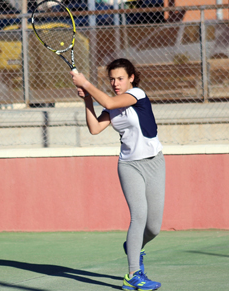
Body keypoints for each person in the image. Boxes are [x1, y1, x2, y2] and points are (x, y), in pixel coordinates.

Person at [70, 58, 165, 291]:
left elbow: (111, 102)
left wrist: (87, 83)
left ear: (131, 78)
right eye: (112, 79)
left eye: (120, 78)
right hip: (129, 166)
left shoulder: (138, 95)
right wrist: (88, 100)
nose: (115, 83)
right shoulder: (112, 107)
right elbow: (94, 128)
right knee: (139, 217)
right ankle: (133, 274)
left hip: (155, 163)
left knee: (154, 227)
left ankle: (133, 246)